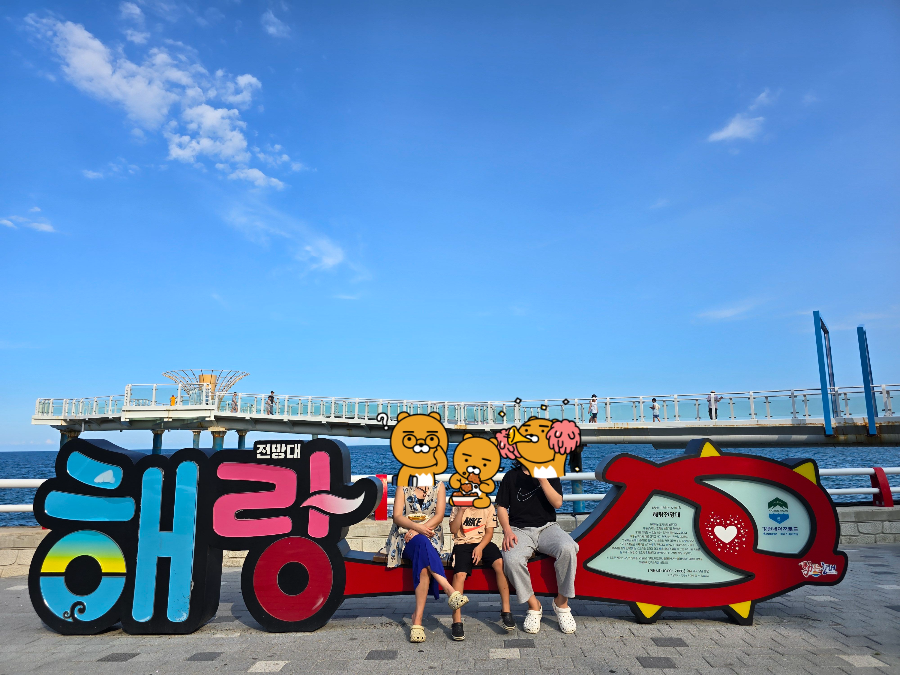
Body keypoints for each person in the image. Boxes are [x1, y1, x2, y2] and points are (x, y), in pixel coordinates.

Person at [497, 461, 579, 634]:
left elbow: (558, 503)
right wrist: (507, 531)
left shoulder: (550, 473)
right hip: (519, 529)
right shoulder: (511, 476)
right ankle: (534, 606)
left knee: (568, 547)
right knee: (511, 558)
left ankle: (562, 604)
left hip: (547, 527)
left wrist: (542, 479)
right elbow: (501, 507)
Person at [383, 481, 469, 643]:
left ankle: (417, 619)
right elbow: (397, 516)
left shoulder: (439, 486)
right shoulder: (403, 485)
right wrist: (416, 529)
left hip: (431, 536)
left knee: (423, 566)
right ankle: (449, 590)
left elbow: (439, 516)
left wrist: (421, 529)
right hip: (405, 538)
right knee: (421, 543)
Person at [448, 501, 514, 640]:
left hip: (483, 542)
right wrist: (461, 510)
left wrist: (480, 548)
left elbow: (489, 533)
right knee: (459, 575)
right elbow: (453, 530)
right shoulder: (458, 504)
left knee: (500, 563)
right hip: (462, 544)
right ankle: (456, 620)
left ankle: (506, 610)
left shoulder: (487, 505)